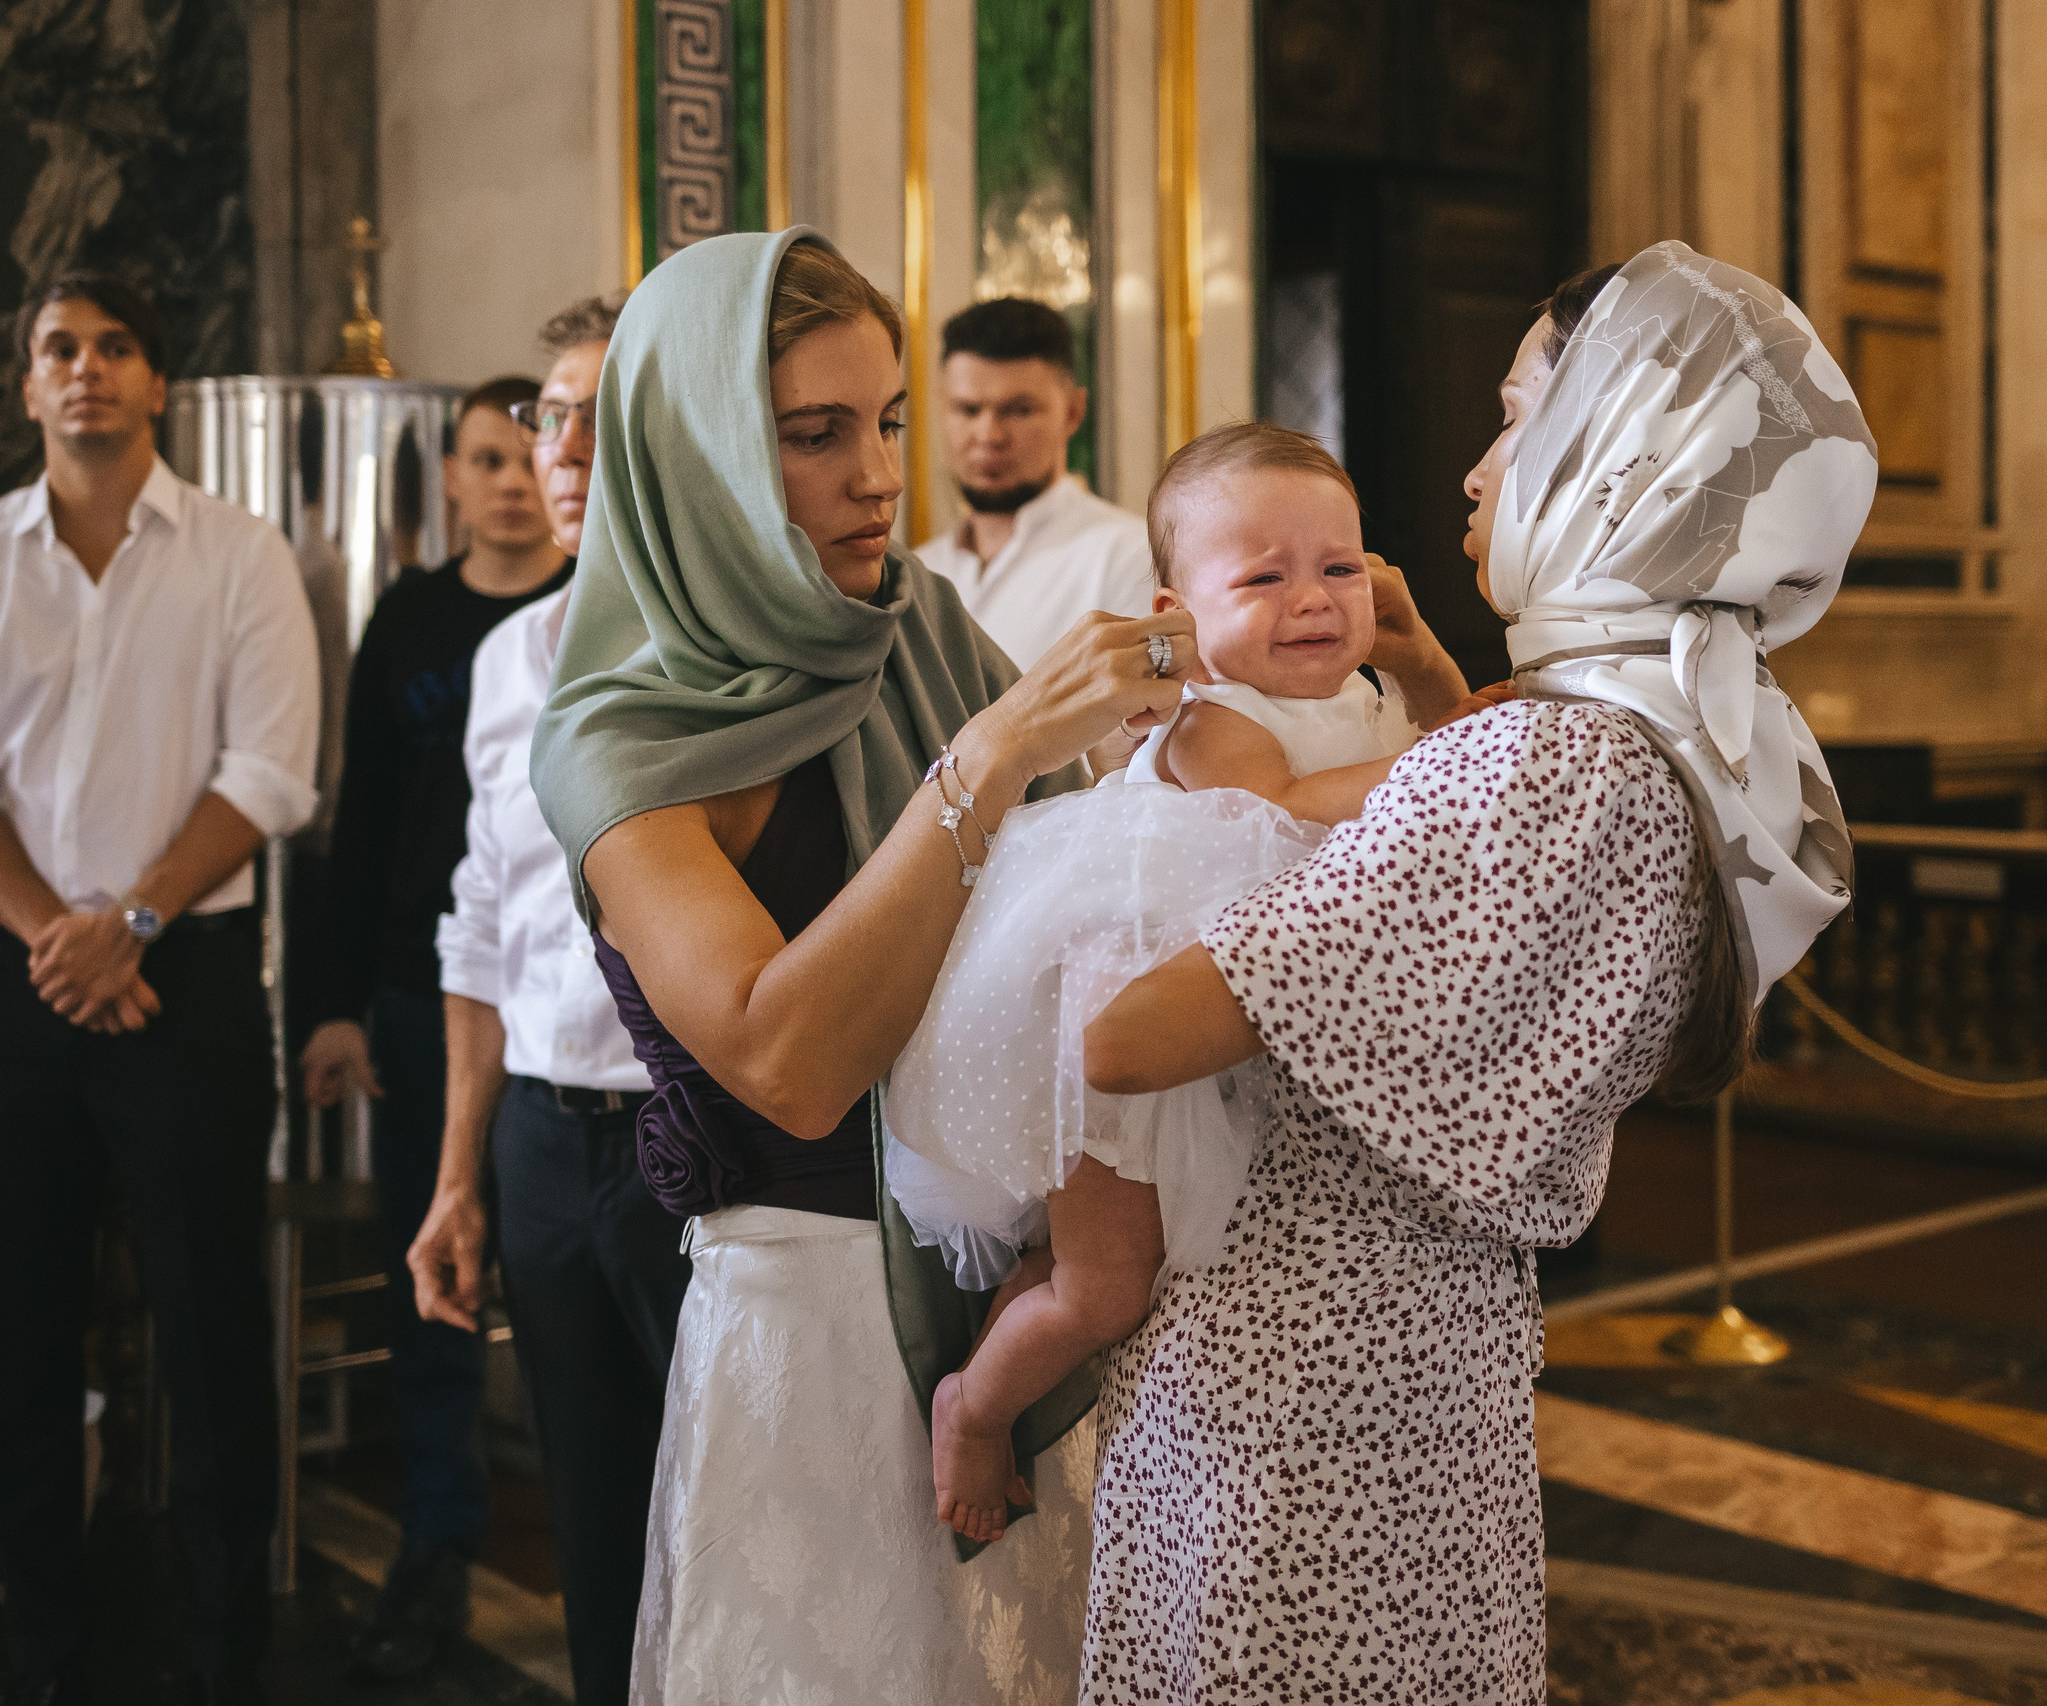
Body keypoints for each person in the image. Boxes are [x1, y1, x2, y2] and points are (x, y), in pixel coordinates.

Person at [1071, 244, 1875, 1703]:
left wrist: (1100, 841)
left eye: (1516, 419)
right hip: (1434, 1366)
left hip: (1289, 1385)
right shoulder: (1671, 734)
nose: (1475, 468)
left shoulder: (1541, 760)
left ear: (1620, 454)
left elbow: (1128, 1038)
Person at [528, 229, 1298, 1702]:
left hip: (1007, 1290)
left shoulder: (911, 622)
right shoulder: (614, 736)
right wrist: (995, 750)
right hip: (810, 1316)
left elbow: (1082, 885)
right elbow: (791, 1062)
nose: (880, 476)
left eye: (886, 421)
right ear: (695, 452)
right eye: (814, 433)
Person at [0, 271, 320, 1706]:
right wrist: (62, 939)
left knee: (211, 1323)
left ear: (156, 381)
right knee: (23, 1328)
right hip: (17, 979)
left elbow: (270, 770)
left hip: (184, 978)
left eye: (114, 346)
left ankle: (223, 1654)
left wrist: (129, 922)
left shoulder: (240, 554)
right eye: (58, 348)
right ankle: (45, 1658)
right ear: (27, 384)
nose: (86, 368)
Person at [885, 423, 1434, 1540]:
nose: (1312, 599)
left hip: (1214, 1031)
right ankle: (973, 1408)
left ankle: (1004, 1348)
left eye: (1339, 567)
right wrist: (1439, 763)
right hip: (1108, 1038)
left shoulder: (1366, 693)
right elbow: (1283, 806)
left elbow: (1457, 736)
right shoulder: (1219, 717)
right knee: (1104, 1289)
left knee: (1085, 1258)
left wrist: (1425, 665)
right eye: (1263, 578)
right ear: (1177, 616)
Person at [404, 291, 693, 1706]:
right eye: (546, 417)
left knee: (719, 1514)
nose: (560, 451)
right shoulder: (509, 655)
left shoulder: (724, 647)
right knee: (589, 1516)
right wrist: (459, 1178)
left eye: (597, 417)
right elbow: (484, 924)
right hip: (536, 1134)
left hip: (693, 1129)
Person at [291, 372, 569, 1678]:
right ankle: (435, 1543)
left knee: (563, 1298)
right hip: (416, 993)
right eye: (485, 459)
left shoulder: (596, 606)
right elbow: (358, 822)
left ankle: (595, 1549)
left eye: (528, 454)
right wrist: (333, 1005)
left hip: (565, 997)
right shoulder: (408, 617)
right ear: (450, 478)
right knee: (437, 1286)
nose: (511, 479)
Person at [916, 296, 1153, 669]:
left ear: (1073, 412)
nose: (988, 435)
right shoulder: (918, 571)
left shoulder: (1130, 558)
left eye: (1019, 410)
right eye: (968, 410)